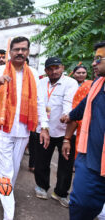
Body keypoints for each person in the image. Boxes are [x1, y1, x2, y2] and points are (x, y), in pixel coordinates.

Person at [0, 36, 50, 220]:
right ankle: (9, 214)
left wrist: (44, 127)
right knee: (5, 172)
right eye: (16, 49)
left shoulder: (34, 74)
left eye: (24, 49)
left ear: (28, 52)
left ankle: (5, 193)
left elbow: (39, 102)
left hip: (23, 131)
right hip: (1, 129)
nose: (20, 52)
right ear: (10, 52)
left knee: (12, 170)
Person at [62, 41, 105, 220]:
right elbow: (82, 107)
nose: (94, 63)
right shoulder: (97, 85)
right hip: (89, 159)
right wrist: (69, 118)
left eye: (99, 59)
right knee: (80, 204)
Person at [33, 57, 78, 207]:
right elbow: (39, 104)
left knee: (66, 164)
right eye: (50, 69)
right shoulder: (40, 83)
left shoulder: (70, 83)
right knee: (41, 161)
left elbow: (69, 102)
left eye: (56, 68)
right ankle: (42, 186)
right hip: (44, 129)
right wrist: (44, 126)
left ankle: (60, 193)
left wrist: (66, 115)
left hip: (65, 131)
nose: (54, 71)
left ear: (63, 67)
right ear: (46, 71)